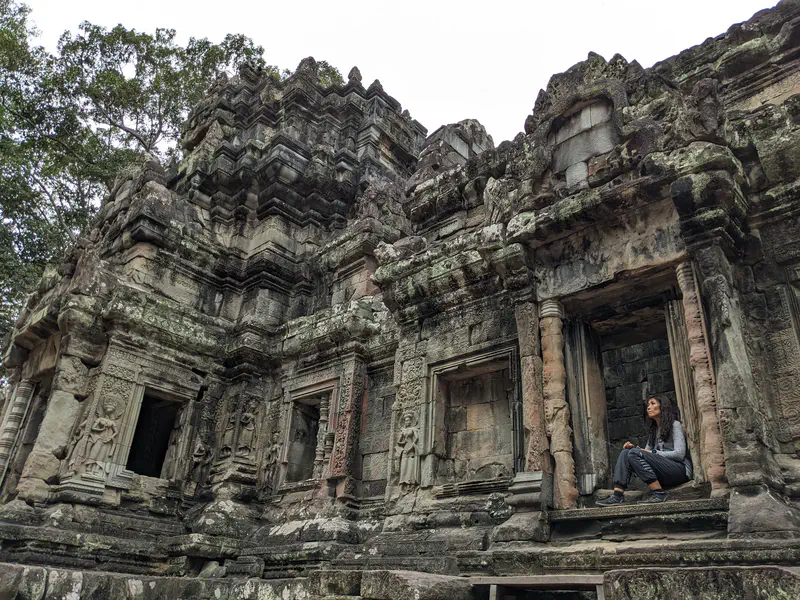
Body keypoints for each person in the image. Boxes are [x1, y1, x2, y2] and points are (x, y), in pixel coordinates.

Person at [597, 394, 693, 505]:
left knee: (633, 453)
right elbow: (644, 454)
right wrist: (633, 449)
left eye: (653, 404)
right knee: (626, 452)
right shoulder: (654, 430)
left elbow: (679, 454)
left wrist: (651, 452)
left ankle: (659, 494)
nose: (648, 407)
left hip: (680, 471)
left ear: (663, 406)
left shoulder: (675, 425)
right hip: (663, 472)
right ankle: (617, 496)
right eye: (648, 405)